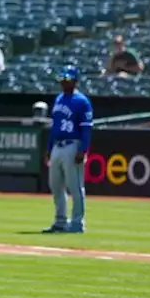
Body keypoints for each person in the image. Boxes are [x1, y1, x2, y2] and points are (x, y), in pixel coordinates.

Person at [43, 66, 92, 234]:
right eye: (62, 80)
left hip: (73, 144)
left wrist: (83, 149)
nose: (63, 83)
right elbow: (54, 126)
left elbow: (86, 128)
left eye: (67, 80)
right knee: (55, 185)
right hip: (58, 145)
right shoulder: (58, 99)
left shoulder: (82, 101)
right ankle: (60, 221)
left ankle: (78, 223)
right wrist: (49, 148)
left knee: (75, 186)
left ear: (75, 81)